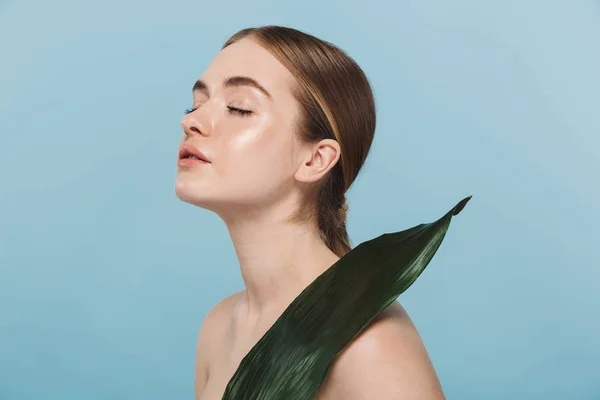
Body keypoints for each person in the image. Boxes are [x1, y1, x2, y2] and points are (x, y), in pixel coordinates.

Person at [176, 25, 469, 400]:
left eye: (239, 107)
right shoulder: (219, 328)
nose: (191, 121)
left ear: (316, 159)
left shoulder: (370, 346)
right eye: (196, 104)